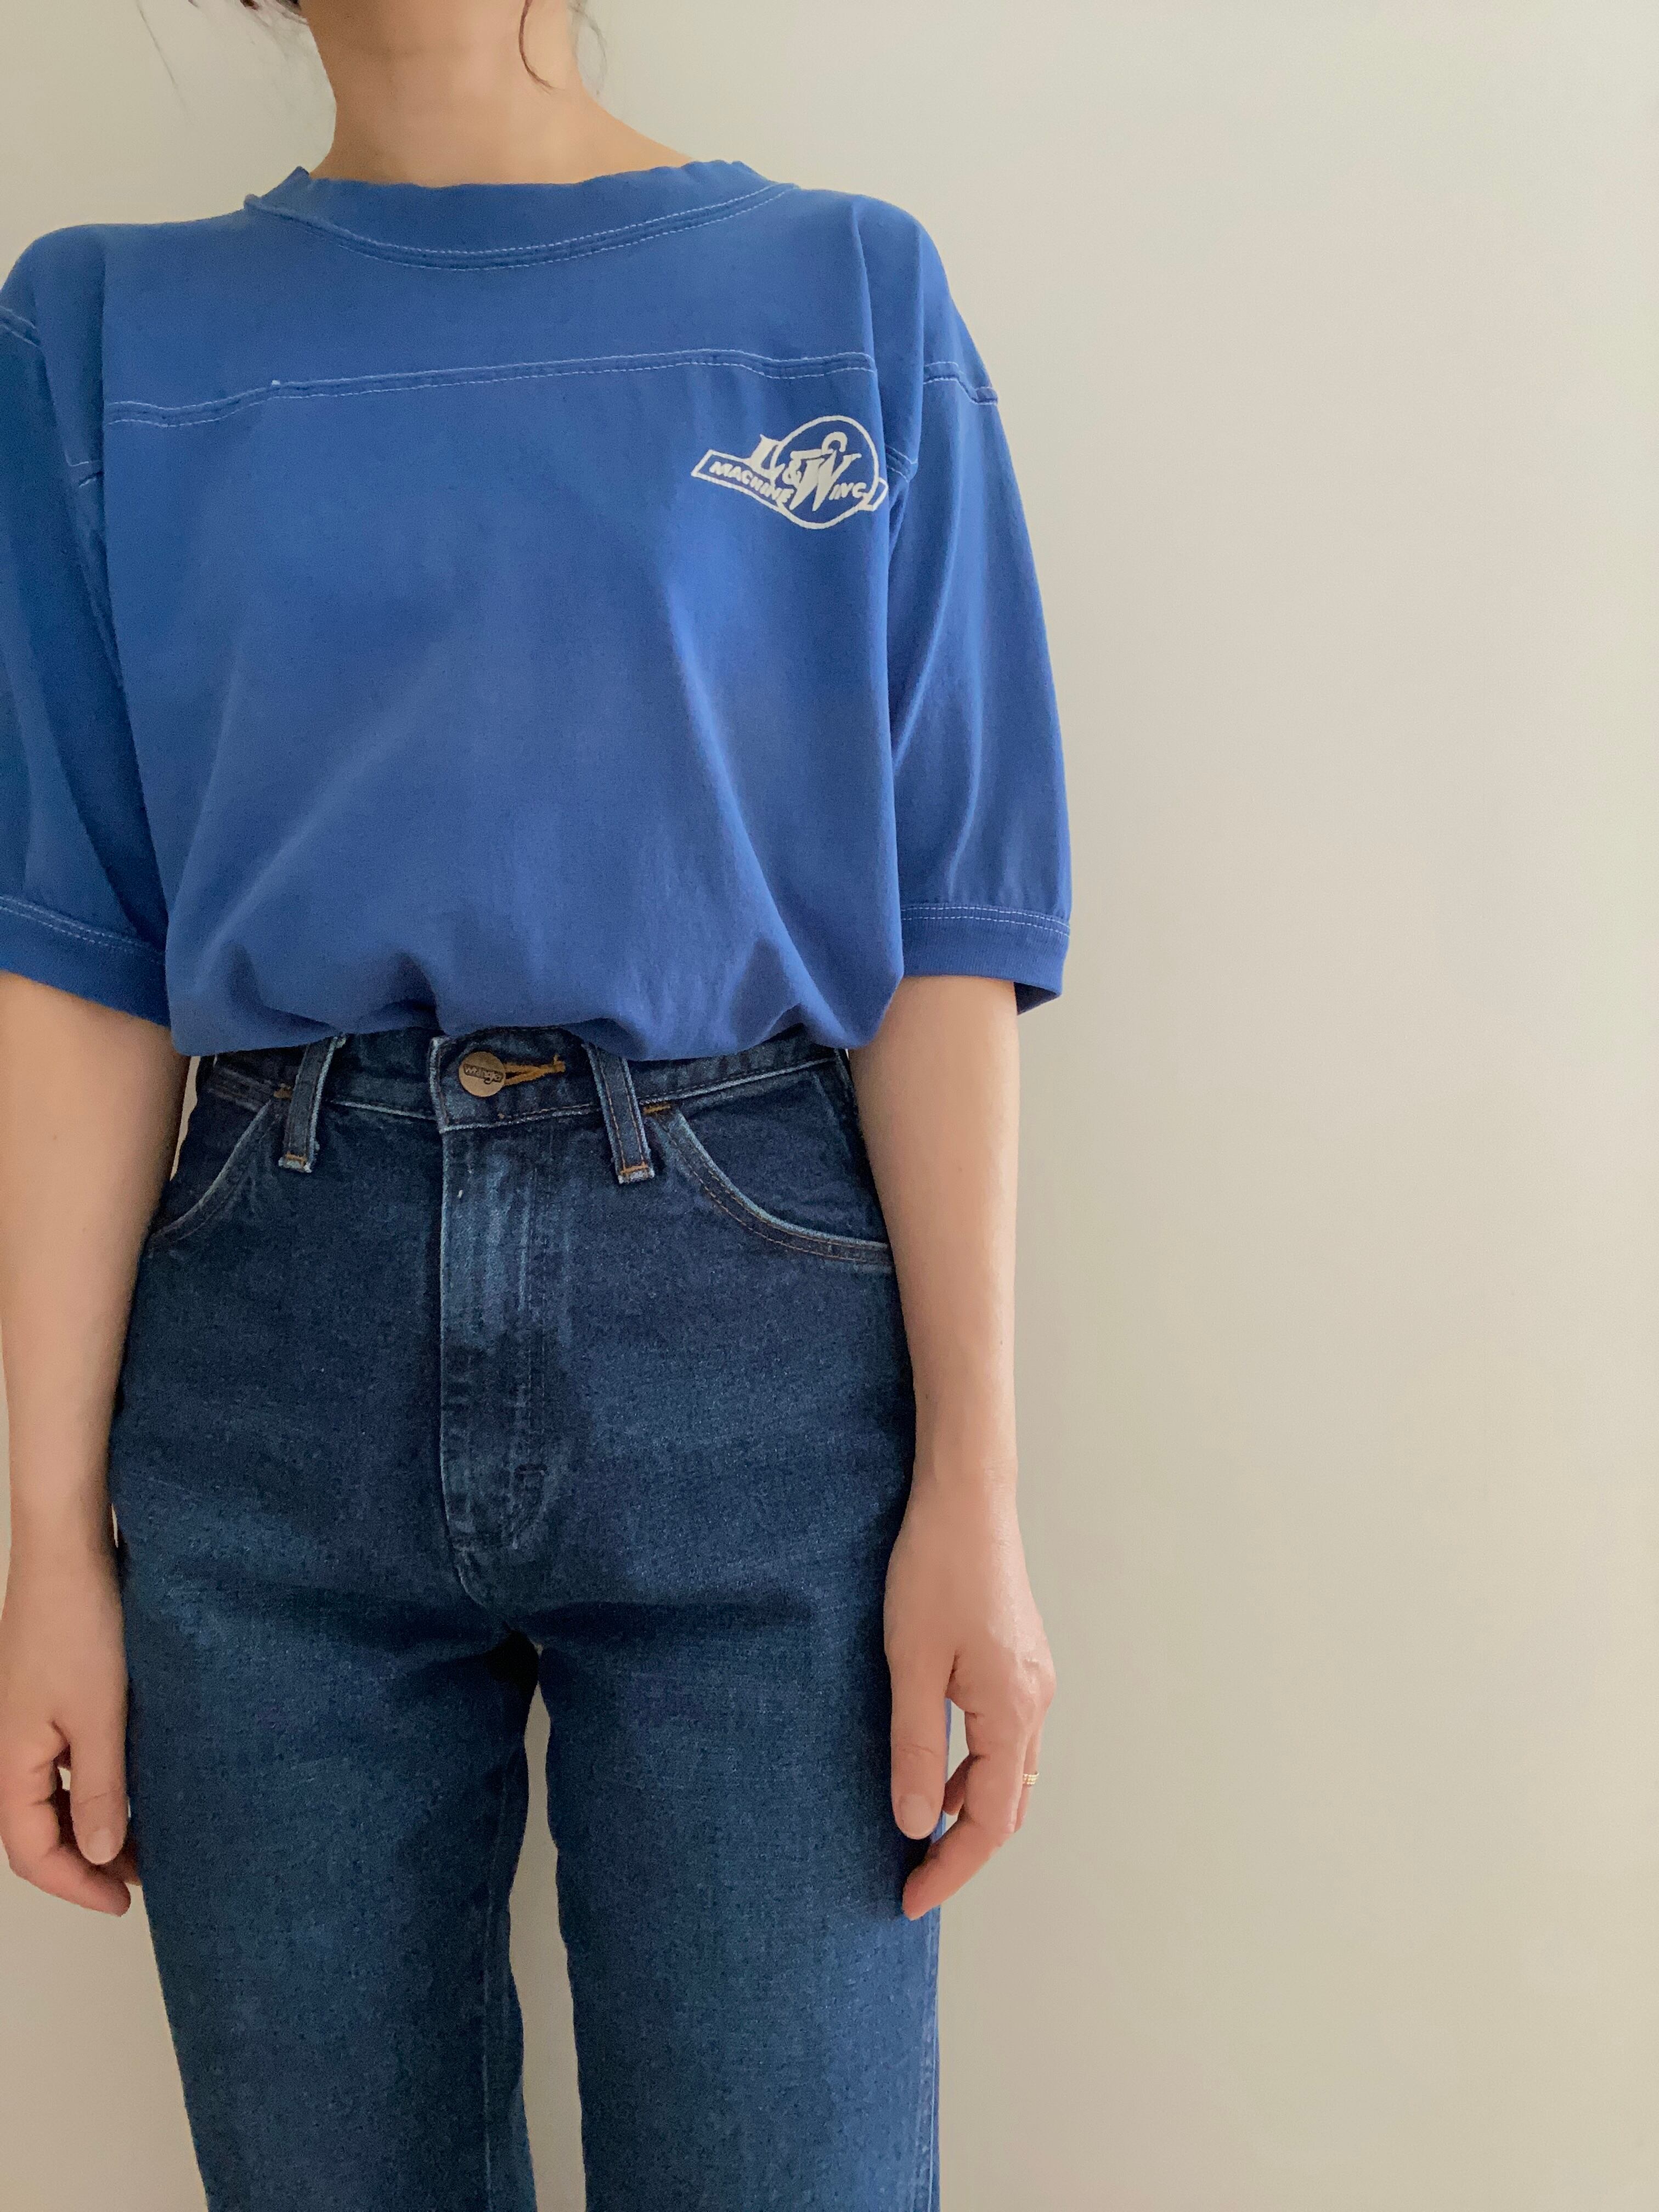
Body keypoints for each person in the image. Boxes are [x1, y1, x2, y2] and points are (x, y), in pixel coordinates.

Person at [0, 2, 1069, 2205]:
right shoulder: (99, 332)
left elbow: (944, 929)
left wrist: (976, 1485)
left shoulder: (841, 294)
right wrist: (45, 1549)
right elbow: (78, 959)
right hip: (264, 1353)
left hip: (754, 1342)